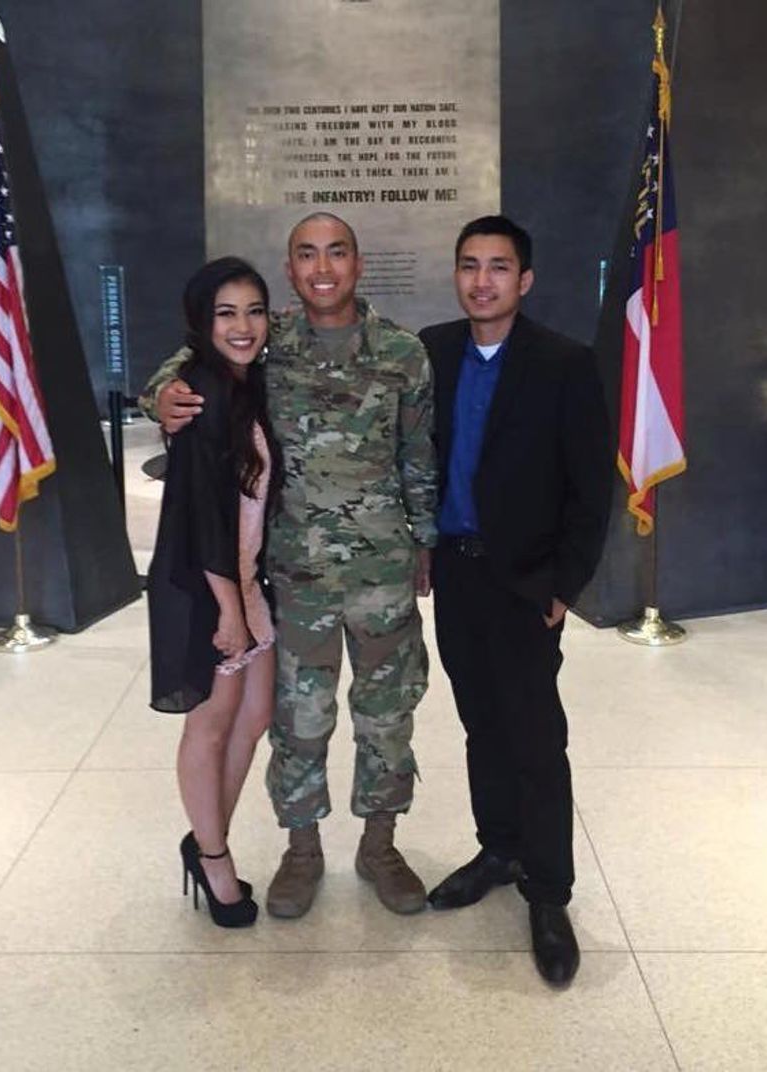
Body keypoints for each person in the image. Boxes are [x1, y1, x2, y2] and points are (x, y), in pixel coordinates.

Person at [140, 213, 437, 919]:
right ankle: (302, 850)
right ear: (291, 269)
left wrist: (426, 542)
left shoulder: (403, 352)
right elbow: (192, 360)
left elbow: (418, 454)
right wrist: (159, 397)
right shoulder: (268, 339)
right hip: (296, 575)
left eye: (337, 252)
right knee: (298, 721)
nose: (322, 268)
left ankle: (380, 845)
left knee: (387, 715)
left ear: (358, 264)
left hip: (383, 572)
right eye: (307, 255)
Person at [419, 216, 612, 986]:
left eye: (498, 267)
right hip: (456, 574)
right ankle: (498, 849)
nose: (482, 281)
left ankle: (549, 891)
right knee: (480, 724)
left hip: (527, 584)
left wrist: (564, 587)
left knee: (535, 737)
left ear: (524, 280)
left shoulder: (564, 364)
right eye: (469, 265)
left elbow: (590, 489)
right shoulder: (432, 352)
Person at [147, 257, 283, 929]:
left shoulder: (245, 384)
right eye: (226, 313)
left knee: (254, 716)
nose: (243, 326)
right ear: (202, 322)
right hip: (211, 586)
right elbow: (203, 513)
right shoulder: (200, 394)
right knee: (211, 723)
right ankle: (214, 856)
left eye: (254, 311)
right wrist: (229, 610)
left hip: (247, 579)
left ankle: (206, 837)